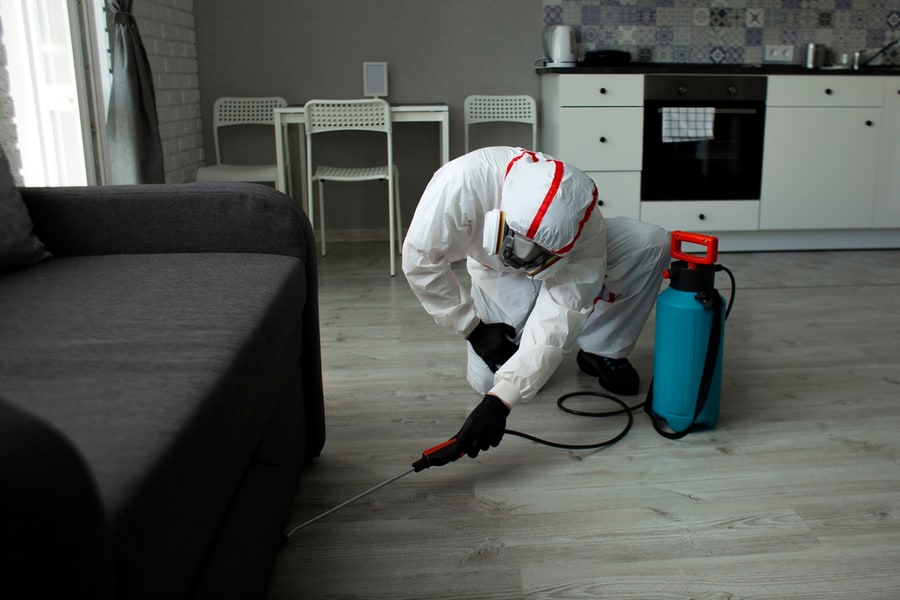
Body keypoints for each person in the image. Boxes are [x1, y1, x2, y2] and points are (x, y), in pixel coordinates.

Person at [402, 147, 668, 461]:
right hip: (494, 271)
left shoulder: (586, 231)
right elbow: (421, 262)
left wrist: (500, 403)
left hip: (563, 261)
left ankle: (602, 348)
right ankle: (524, 347)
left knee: (650, 243)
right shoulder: (461, 182)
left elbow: (563, 308)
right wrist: (473, 329)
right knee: (487, 381)